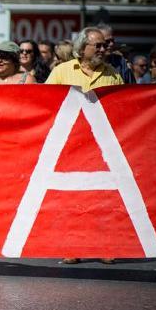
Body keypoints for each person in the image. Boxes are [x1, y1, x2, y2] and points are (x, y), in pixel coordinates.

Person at [45, 26, 123, 266]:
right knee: (72, 199)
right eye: (97, 46)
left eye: (103, 45)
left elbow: (123, 108)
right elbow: (45, 102)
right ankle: (72, 246)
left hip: (102, 146)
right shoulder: (61, 72)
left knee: (103, 198)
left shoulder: (112, 74)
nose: (102, 49)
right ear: (82, 48)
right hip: (70, 144)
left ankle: (104, 246)